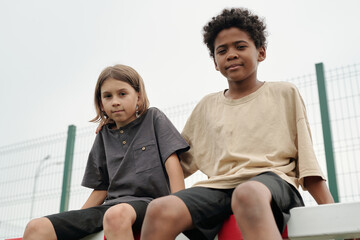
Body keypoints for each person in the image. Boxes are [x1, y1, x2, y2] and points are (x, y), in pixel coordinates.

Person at [141, 8, 334, 240]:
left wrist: (335, 216)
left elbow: (308, 163)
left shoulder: (284, 93)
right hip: (218, 189)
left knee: (247, 193)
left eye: (240, 47)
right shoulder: (206, 106)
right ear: (215, 62)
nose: (231, 54)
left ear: (261, 52)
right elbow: (176, 165)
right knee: (160, 210)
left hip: (271, 184)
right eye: (222, 51)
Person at [22, 64, 189, 240]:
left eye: (122, 94)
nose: (115, 101)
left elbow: (173, 165)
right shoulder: (103, 134)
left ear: (138, 97)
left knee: (116, 215)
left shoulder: (154, 118)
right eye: (108, 96)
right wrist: (77, 221)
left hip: (150, 204)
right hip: (110, 207)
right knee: (36, 227)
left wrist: (177, 207)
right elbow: (102, 187)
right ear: (101, 103)